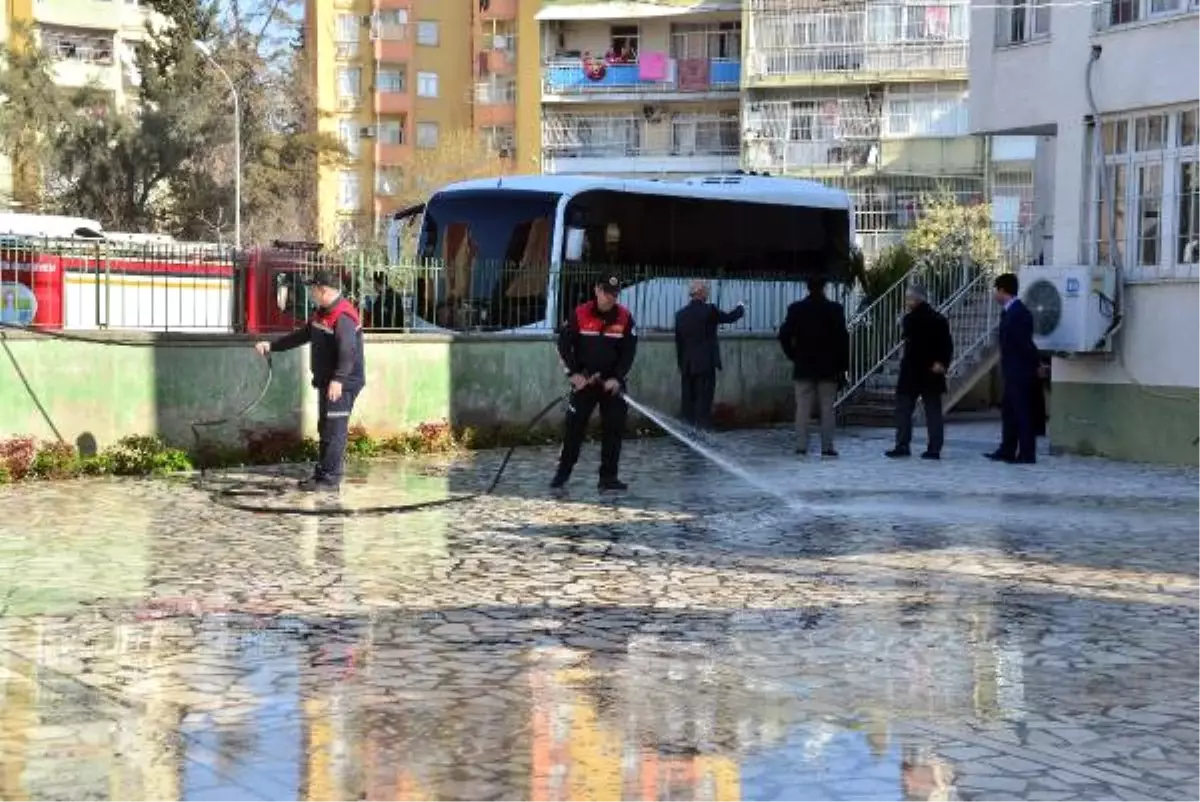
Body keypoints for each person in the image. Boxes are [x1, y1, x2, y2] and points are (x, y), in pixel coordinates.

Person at [255, 269, 366, 491]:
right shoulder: (321, 313)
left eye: (313, 289)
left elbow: (348, 351)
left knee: (334, 431)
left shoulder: (342, 316)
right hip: (328, 382)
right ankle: (322, 474)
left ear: (323, 290)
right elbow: (302, 335)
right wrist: (273, 346)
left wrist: (339, 380)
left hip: (341, 385)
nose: (310, 293)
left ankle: (330, 479)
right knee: (325, 428)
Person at [551, 275, 638, 492]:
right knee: (574, 429)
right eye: (607, 292)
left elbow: (628, 353)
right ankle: (562, 475)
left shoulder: (625, 317)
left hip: (611, 385)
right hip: (585, 382)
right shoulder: (580, 313)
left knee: (614, 429)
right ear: (596, 290)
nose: (611, 298)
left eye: (615, 294)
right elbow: (563, 346)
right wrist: (573, 374)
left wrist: (617, 378)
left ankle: (608, 478)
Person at [778, 277, 849, 457]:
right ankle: (827, 447)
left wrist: (793, 355)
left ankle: (801, 446)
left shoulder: (796, 309)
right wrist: (842, 366)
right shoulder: (835, 309)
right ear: (825, 287)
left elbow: (784, 335)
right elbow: (843, 340)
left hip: (803, 365)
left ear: (807, 288)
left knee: (802, 408)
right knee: (827, 408)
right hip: (828, 367)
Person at [886, 284, 953, 460]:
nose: (907, 302)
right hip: (932, 370)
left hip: (912, 371)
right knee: (933, 411)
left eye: (908, 298)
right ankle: (934, 448)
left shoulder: (910, 319)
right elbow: (947, 345)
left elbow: (909, 338)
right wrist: (942, 363)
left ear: (915, 299)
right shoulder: (939, 318)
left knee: (903, 409)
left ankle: (902, 445)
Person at [674, 280, 744, 433]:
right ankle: (703, 433)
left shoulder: (680, 315)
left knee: (688, 401)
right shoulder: (709, 311)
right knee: (704, 400)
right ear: (700, 292)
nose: (708, 293)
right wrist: (741, 307)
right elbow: (729, 317)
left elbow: (679, 343)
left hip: (687, 365)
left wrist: (681, 364)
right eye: (706, 290)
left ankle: (687, 432)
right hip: (705, 363)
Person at [988, 272, 1040, 464]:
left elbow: (1025, 343)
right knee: (1009, 411)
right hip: (1010, 369)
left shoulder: (1020, 313)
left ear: (1003, 291)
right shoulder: (1009, 312)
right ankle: (1007, 449)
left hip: (1020, 370)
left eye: (996, 291)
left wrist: (1036, 364)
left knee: (1022, 411)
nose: (995, 295)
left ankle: (1027, 453)